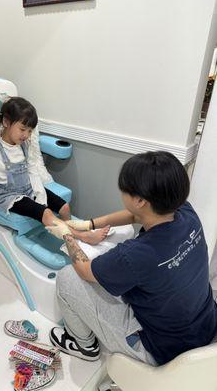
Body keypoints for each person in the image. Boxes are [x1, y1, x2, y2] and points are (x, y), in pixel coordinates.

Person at [46, 151, 217, 365]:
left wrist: (67, 234)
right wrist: (88, 224)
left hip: (162, 349)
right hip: (205, 325)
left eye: (125, 190)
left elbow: (84, 270)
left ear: (139, 200)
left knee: (67, 278)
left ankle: (83, 344)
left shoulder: (135, 255)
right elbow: (137, 215)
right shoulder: (186, 213)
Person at [0, 97, 109, 245]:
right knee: (46, 214)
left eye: (30, 131)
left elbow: (32, 171)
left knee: (65, 208)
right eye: (23, 129)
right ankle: (82, 237)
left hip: (27, 188)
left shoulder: (23, 145)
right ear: (6, 122)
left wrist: (40, 195)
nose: (26, 135)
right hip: (8, 196)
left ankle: (70, 239)